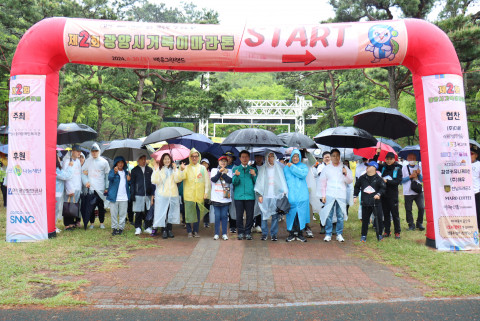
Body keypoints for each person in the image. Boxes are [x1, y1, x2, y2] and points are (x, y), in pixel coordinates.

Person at [319, 149, 353, 242]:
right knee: (329, 214)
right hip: (330, 193)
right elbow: (323, 183)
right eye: (333, 155)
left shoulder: (344, 167)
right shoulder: (327, 169)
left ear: (340, 156)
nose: (335, 157)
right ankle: (328, 233)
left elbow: (350, 181)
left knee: (340, 215)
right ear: (331, 157)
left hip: (341, 194)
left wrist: (346, 173)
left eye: (337, 155)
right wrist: (323, 195)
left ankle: (339, 233)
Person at [255, 151, 288, 241]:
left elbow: (282, 181)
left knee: (275, 216)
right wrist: (260, 194)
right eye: (269, 156)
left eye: (272, 156)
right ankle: (264, 233)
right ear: (266, 158)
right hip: (265, 195)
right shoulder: (263, 168)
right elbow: (259, 182)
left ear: (275, 157)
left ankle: (274, 234)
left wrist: (283, 191)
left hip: (275, 196)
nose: (270, 158)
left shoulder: (278, 169)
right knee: (263, 215)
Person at [178, 148, 211, 238]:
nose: (194, 158)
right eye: (192, 156)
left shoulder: (202, 168)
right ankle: (189, 231)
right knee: (188, 213)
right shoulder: (186, 168)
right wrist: (181, 170)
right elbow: (180, 178)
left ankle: (195, 231)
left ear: (199, 157)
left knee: (197, 214)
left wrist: (206, 192)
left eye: (196, 156)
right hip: (189, 195)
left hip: (199, 195)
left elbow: (207, 182)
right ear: (190, 157)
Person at [373, 150, 403, 239]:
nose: (389, 161)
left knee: (395, 214)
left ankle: (397, 232)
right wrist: (377, 154)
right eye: (387, 159)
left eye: (391, 159)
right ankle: (387, 231)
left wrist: (387, 181)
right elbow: (373, 163)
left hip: (393, 195)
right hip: (383, 194)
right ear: (385, 159)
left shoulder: (398, 168)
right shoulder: (383, 167)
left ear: (394, 159)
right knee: (385, 214)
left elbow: (398, 181)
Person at [354, 161, 386, 242]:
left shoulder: (379, 179)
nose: (367, 167)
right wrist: (355, 196)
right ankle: (363, 235)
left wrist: (378, 194)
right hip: (365, 202)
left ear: (375, 168)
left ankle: (379, 235)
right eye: (367, 166)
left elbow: (383, 188)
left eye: (369, 166)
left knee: (379, 219)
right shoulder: (362, 177)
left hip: (376, 203)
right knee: (365, 220)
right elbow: (357, 186)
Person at [151, 153, 182, 238]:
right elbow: (154, 180)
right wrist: (156, 170)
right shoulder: (160, 170)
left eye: (168, 159)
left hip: (172, 195)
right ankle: (164, 230)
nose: (167, 160)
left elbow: (178, 179)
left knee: (170, 213)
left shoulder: (173, 170)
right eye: (165, 159)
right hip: (163, 195)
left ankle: (169, 229)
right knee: (163, 212)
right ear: (162, 160)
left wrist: (176, 169)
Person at [81, 143, 110, 229]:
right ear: (91, 152)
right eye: (93, 151)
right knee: (91, 206)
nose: (94, 153)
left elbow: (107, 175)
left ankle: (101, 223)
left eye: (96, 151)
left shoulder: (104, 162)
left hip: (101, 188)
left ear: (99, 151)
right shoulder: (87, 161)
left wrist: (106, 187)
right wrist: (86, 181)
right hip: (91, 188)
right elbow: (83, 173)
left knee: (101, 206)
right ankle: (92, 223)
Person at [283, 149, 309, 242]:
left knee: (300, 214)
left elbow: (302, 175)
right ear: (291, 157)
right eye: (293, 156)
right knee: (291, 214)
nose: (295, 158)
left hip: (302, 194)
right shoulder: (286, 168)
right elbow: (284, 180)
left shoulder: (303, 167)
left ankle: (300, 233)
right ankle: (291, 233)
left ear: (300, 157)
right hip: (291, 194)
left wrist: (292, 167)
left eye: (297, 156)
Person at [232, 150, 258, 240]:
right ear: (240, 158)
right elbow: (234, 183)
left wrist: (254, 175)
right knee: (239, 215)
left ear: (249, 158)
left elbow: (257, 183)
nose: (244, 159)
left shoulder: (252, 169)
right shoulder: (235, 169)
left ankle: (248, 232)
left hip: (250, 196)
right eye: (242, 157)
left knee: (250, 215)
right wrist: (236, 176)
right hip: (238, 196)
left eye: (246, 157)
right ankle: (240, 232)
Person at [210, 156, 233, 240]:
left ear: (227, 163)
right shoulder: (213, 170)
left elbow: (230, 181)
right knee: (217, 216)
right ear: (218, 162)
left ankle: (224, 233)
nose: (223, 163)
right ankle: (216, 233)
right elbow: (214, 179)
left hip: (225, 197)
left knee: (224, 216)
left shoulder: (229, 171)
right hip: (216, 197)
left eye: (225, 161)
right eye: (221, 161)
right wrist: (220, 172)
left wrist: (224, 173)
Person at [130, 155, 154, 235]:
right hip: (138, 194)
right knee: (138, 212)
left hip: (147, 194)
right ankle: (138, 227)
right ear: (138, 160)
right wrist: (132, 193)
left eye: (145, 159)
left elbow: (152, 183)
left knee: (148, 211)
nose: (144, 161)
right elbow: (132, 183)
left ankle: (147, 226)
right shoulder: (134, 170)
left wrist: (152, 193)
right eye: (142, 159)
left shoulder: (149, 170)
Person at [107, 156, 130, 236]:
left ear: (124, 164)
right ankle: (114, 228)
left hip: (124, 197)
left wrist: (129, 180)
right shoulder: (112, 171)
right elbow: (110, 178)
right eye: (118, 162)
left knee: (123, 214)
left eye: (122, 162)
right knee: (113, 214)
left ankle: (120, 228)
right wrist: (115, 173)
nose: (120, 164)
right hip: (114, 197)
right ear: (116, 163)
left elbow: (129, 184)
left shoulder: (126, 173)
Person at [401, 153, 425, 231]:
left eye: (414, 158)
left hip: (418, 191)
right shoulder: (404, 168)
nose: (412, 160)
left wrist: (419, 174)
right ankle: (411, 224)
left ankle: (419, 223)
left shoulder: (419, 167)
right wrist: (410, 176)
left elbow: (421, 180)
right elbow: (401, 181)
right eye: (410, 158)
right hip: (408, 192)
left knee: (421, 207)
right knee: (408, 209)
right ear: (407, 159)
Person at [62, 145, 83, 229]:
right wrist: (69, 189)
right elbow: (66, 176)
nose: (79, 153)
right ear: (72, 151)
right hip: (71, 187)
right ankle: (67, 224)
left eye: (80, 151)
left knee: (74, 205)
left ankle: (73, 222)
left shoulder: (77, 161)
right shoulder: (67, 161)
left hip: (78, 186)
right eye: (77, 151)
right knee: (68, 205)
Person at [55, 154, 73, 232]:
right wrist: (70, 167)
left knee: (56, 209)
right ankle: (52, 227)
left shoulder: (58, 169)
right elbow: (66, 176)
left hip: (57, 192)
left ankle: (53, 226)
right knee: (55, 210)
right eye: (58, 157)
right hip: (56, 192)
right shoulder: (55, 169)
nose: (59, 158)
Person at [316, 151, 331, 234]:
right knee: (323, 209)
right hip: (322, 192)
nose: (327, 158)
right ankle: (323, 226)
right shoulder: (320, 167)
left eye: (329, 157)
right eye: (326, 157)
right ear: (323, 158)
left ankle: (333, 226)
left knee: (333, 209)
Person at [224, 151, 237, 234]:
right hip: (225, 189)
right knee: (225, 207)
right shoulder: (222, 166)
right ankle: (225, 225)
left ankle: (233, 226)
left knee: (233, 208)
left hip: (233, 189)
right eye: (227, 157)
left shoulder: (236, 167)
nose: (228, 159)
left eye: (230, 157)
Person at [252, 153, 264, 234]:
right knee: (252, 207)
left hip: (263, 190)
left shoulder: (265, 167)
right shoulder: (251, 167)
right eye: (257, 157)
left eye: (260, 157)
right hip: (253, 190)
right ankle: (252, 223)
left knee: (260, 207)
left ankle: (258, 224)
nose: (258, 159)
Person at [471, 143, 480, 230]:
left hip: (476, 192)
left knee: (477, 211)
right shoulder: (462, 163)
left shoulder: (478, 165)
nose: (469, 156)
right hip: (464, 193)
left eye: (471, 154)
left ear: (476, 155)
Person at [201, 158, 211, 228]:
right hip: (200, 192)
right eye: (203, 163)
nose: (204, 165)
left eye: (206, 163)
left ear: (208, 165)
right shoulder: (198, 172)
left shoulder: (210, 173)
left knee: (207, 208)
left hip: (207, 193)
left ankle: (206, 222)